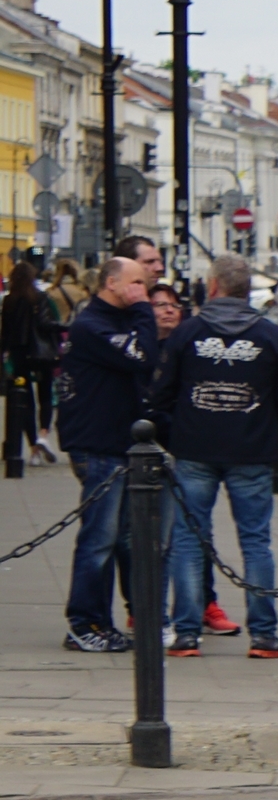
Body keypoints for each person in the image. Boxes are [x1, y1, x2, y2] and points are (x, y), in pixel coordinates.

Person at [154, 253, 278, 658]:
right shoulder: (270, 336)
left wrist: (181, 428)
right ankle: (264, 634)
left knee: (187, 539)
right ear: (246, 289)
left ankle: (186, 633)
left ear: (213, 287)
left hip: (195, 449)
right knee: (256, 542)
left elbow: (161, 395)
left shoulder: (187, 334)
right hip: (251, 451)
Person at [55, 256, 159, 652]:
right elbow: (142, 356)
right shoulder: (92, 326)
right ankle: (84, 623)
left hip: (118, 444)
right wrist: (144, 311)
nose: (142, 290)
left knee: (118, 539)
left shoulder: (118, 322)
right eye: (135, 282)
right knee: (99, 539)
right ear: (111, 283)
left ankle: (102, 621)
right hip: (99, 446)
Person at [2, 260, 61, 463]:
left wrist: (5, 355)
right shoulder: (39, 297)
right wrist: (64, 327)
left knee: (24, 402)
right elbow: (46, 323)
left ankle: (33, 447)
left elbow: (5, 333)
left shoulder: (8, 301)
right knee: (45, 396)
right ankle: (44, 435)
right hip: (41, 354)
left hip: (20, 356)